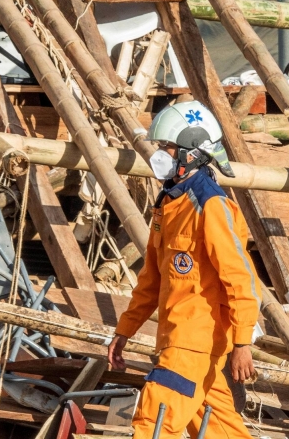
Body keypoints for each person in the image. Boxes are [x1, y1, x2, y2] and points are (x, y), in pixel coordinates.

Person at [107, 101, 262, 438]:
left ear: (192, 152)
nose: (160, 154)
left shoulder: (211, 205)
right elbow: (151, 279)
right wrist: (125, 331)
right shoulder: (168, 203)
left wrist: (242, 343)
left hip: (193, 342)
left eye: (167, 147)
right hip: (180, 341)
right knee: (222, 432)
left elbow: (240, 278)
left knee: (153, 425)